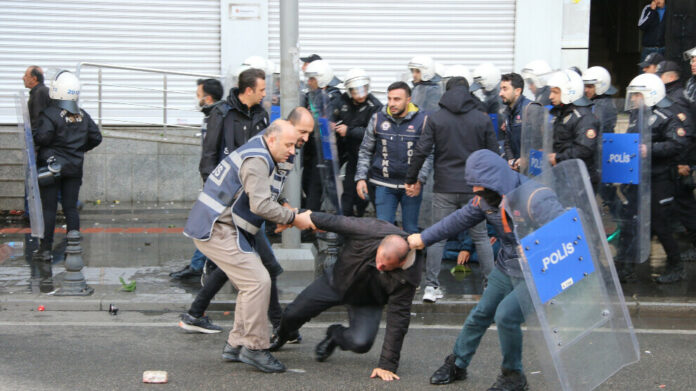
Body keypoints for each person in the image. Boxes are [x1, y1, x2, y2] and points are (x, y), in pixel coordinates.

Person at [408, 149, 563, 390]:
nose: (475, 193)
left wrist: (538, 246)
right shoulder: (486, 198)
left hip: (540, 272)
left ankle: (514, 377)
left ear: (496, 181)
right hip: (508, 265)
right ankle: (457, 364)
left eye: (480, 188)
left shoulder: (536, 197)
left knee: (506, 316)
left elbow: (568, 231)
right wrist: (423, 238)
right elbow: (457, 219)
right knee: (481, 313)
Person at [184, 120, 315, 373]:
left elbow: (265, 196)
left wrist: (284, 210)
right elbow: (260, 205)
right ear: (273, 139)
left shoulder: (261, 150)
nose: (292, 150)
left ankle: (236, 344)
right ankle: (255, 348)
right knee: (258, 282)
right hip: (216, 228)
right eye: (289, 144)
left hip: (223, 226)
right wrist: (294, 218)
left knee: (250, 283)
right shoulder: (257, 159)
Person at [269, 212, 423, 382]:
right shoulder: (370, 230)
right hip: (336, 281)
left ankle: (335, 335)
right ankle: (283, 335)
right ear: (380, 245)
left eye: (385, 266)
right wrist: (295, 218)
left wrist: (387, 365)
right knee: (292, 314)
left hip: (368, 301)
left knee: (361, 343)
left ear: (401, 263)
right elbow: (334, 221)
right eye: (378, 259)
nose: (379, 266)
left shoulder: (408, 275)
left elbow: (398, 319)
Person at [405, 77, 497, 303]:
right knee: (481, 237)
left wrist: (411, 177)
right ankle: (491, 286)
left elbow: (421, 150)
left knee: (437, 236)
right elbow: (494, 154)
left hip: (444, 186)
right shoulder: (481, 119)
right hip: (475, 189)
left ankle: (431, 287)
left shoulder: (436, 119)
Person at [620, 73, 689, 284]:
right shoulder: (637, 116)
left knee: (661, 224)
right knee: (633, 222)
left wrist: (648, 149)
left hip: (660, 180)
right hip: (639, 178)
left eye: (637, 95)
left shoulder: (666, 116)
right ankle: (627, 266)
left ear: (650, 95)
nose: (633, 99)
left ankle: (677, 266)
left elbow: (677, 143)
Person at [32, 71, 102, 261]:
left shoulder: (50, 113)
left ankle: (45, 249)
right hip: (74, 168)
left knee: (49, 208)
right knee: (71, 207)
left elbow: (42, 137)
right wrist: (79, 149)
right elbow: (96, 137)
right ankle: (73, 248)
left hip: (51, 167)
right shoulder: (81, 114)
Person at [355, 81, 432, 234]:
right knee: (384, 231)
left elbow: (429, 154)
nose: (392, 103)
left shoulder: (423, 120)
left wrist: (419, 179)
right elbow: (365, 150)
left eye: (397, 99)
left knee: (410, 230)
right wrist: (361, 178)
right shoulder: (377, 119)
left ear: (408, 100)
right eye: (389, 99)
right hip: (383, 184)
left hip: (410, 185)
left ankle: (412, 259)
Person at [170, 78, 225, 281]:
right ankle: (199, 265)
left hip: (217, 182)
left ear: (207, 98)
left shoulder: (218, 116)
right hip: (213, 180)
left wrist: (212, 180)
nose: (197, 99)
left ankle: (200, 266)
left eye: (198, 94)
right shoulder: (212, 115)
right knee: (208, 224)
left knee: (208, 224)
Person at [332, 68, 383, 216]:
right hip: (352, 155)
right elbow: (330, 111)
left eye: (363, 89)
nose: (360, 95)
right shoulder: (343, 101)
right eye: (355, 91)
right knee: (348, 191)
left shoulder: (375, 105)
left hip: (370, 157)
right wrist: (328, 122)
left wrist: (349, 131)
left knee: (369, 193)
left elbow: (373, 132)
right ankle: (345, 225)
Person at [199, 68, 269, 177]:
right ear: (249, 91)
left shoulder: (262, 115)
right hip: (226, 185)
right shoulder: (221, 113)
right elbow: (209, 154)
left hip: (253, 184)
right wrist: (212, 186)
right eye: (261, 90)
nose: (264, 94)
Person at [546, 69, 600, 187]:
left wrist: (558, 157)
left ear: (569, 92)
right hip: (564, 174)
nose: (551, 96)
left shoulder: (584, 117)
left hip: (579, 179)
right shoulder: (561, 113)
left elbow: (584, 148)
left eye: (555, 92)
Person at [302, 59, 342, 212]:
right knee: (309, 186)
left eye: (312, 78)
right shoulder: (312, 96)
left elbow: (329, 123)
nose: (309, 82)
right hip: (312, 152)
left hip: (326, 154)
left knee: (318, 190)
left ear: (321, 79)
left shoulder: (333, 98)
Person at [500, 73, 532, 168]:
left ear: (517, 91)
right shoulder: (509, 112)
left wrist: (526, 159)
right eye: (501, 89)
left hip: (531, 172)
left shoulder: (531, 109)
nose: (500, 93)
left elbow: (540, 143)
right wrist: (511, 160)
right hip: (516, 169)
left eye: (505, 89)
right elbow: (507, 142)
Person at [582, 66, 618, 134]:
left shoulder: (601, 105)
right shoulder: (593, 102)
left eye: (590, 87)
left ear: (600, 86)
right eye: (585, 86)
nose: (586, 90)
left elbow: (595, 132)